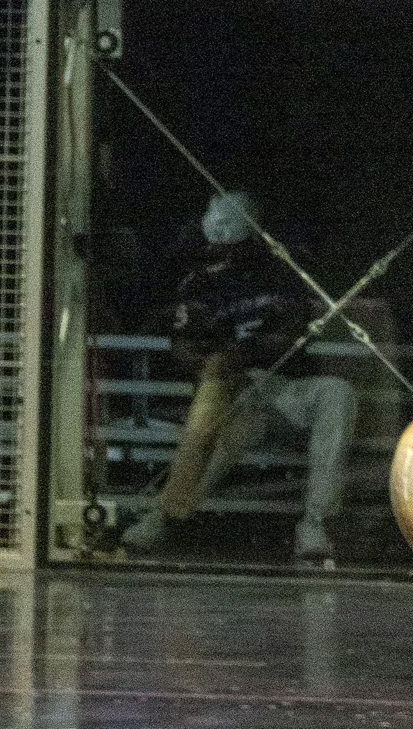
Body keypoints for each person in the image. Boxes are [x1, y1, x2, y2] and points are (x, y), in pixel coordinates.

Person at [120, 189, 358, 563]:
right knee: (225, 423)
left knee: (337, 393)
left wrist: (249, 352)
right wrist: (213, 365)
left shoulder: (279, 271)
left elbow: (295, 330)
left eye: (233, 234)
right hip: (230, 389)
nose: (222, 244)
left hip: (282, 386)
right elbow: (181, 347)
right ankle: (164, 516)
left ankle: (315, 523)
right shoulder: (197, 285)